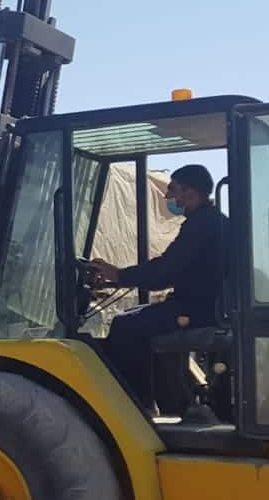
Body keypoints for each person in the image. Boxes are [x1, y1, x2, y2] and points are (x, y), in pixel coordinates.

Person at [90, 164, 226, 414]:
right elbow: (171, 270)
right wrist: (123, 277)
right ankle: (174, 403)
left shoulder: (202, 225)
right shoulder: (210, 222)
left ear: (190, 193)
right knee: (135, 315)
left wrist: (120, 275)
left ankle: (139, 408)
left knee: (124, 327)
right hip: (203, 305)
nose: (168, 196)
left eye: (173, 189)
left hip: (198, 309)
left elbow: (167, 269)